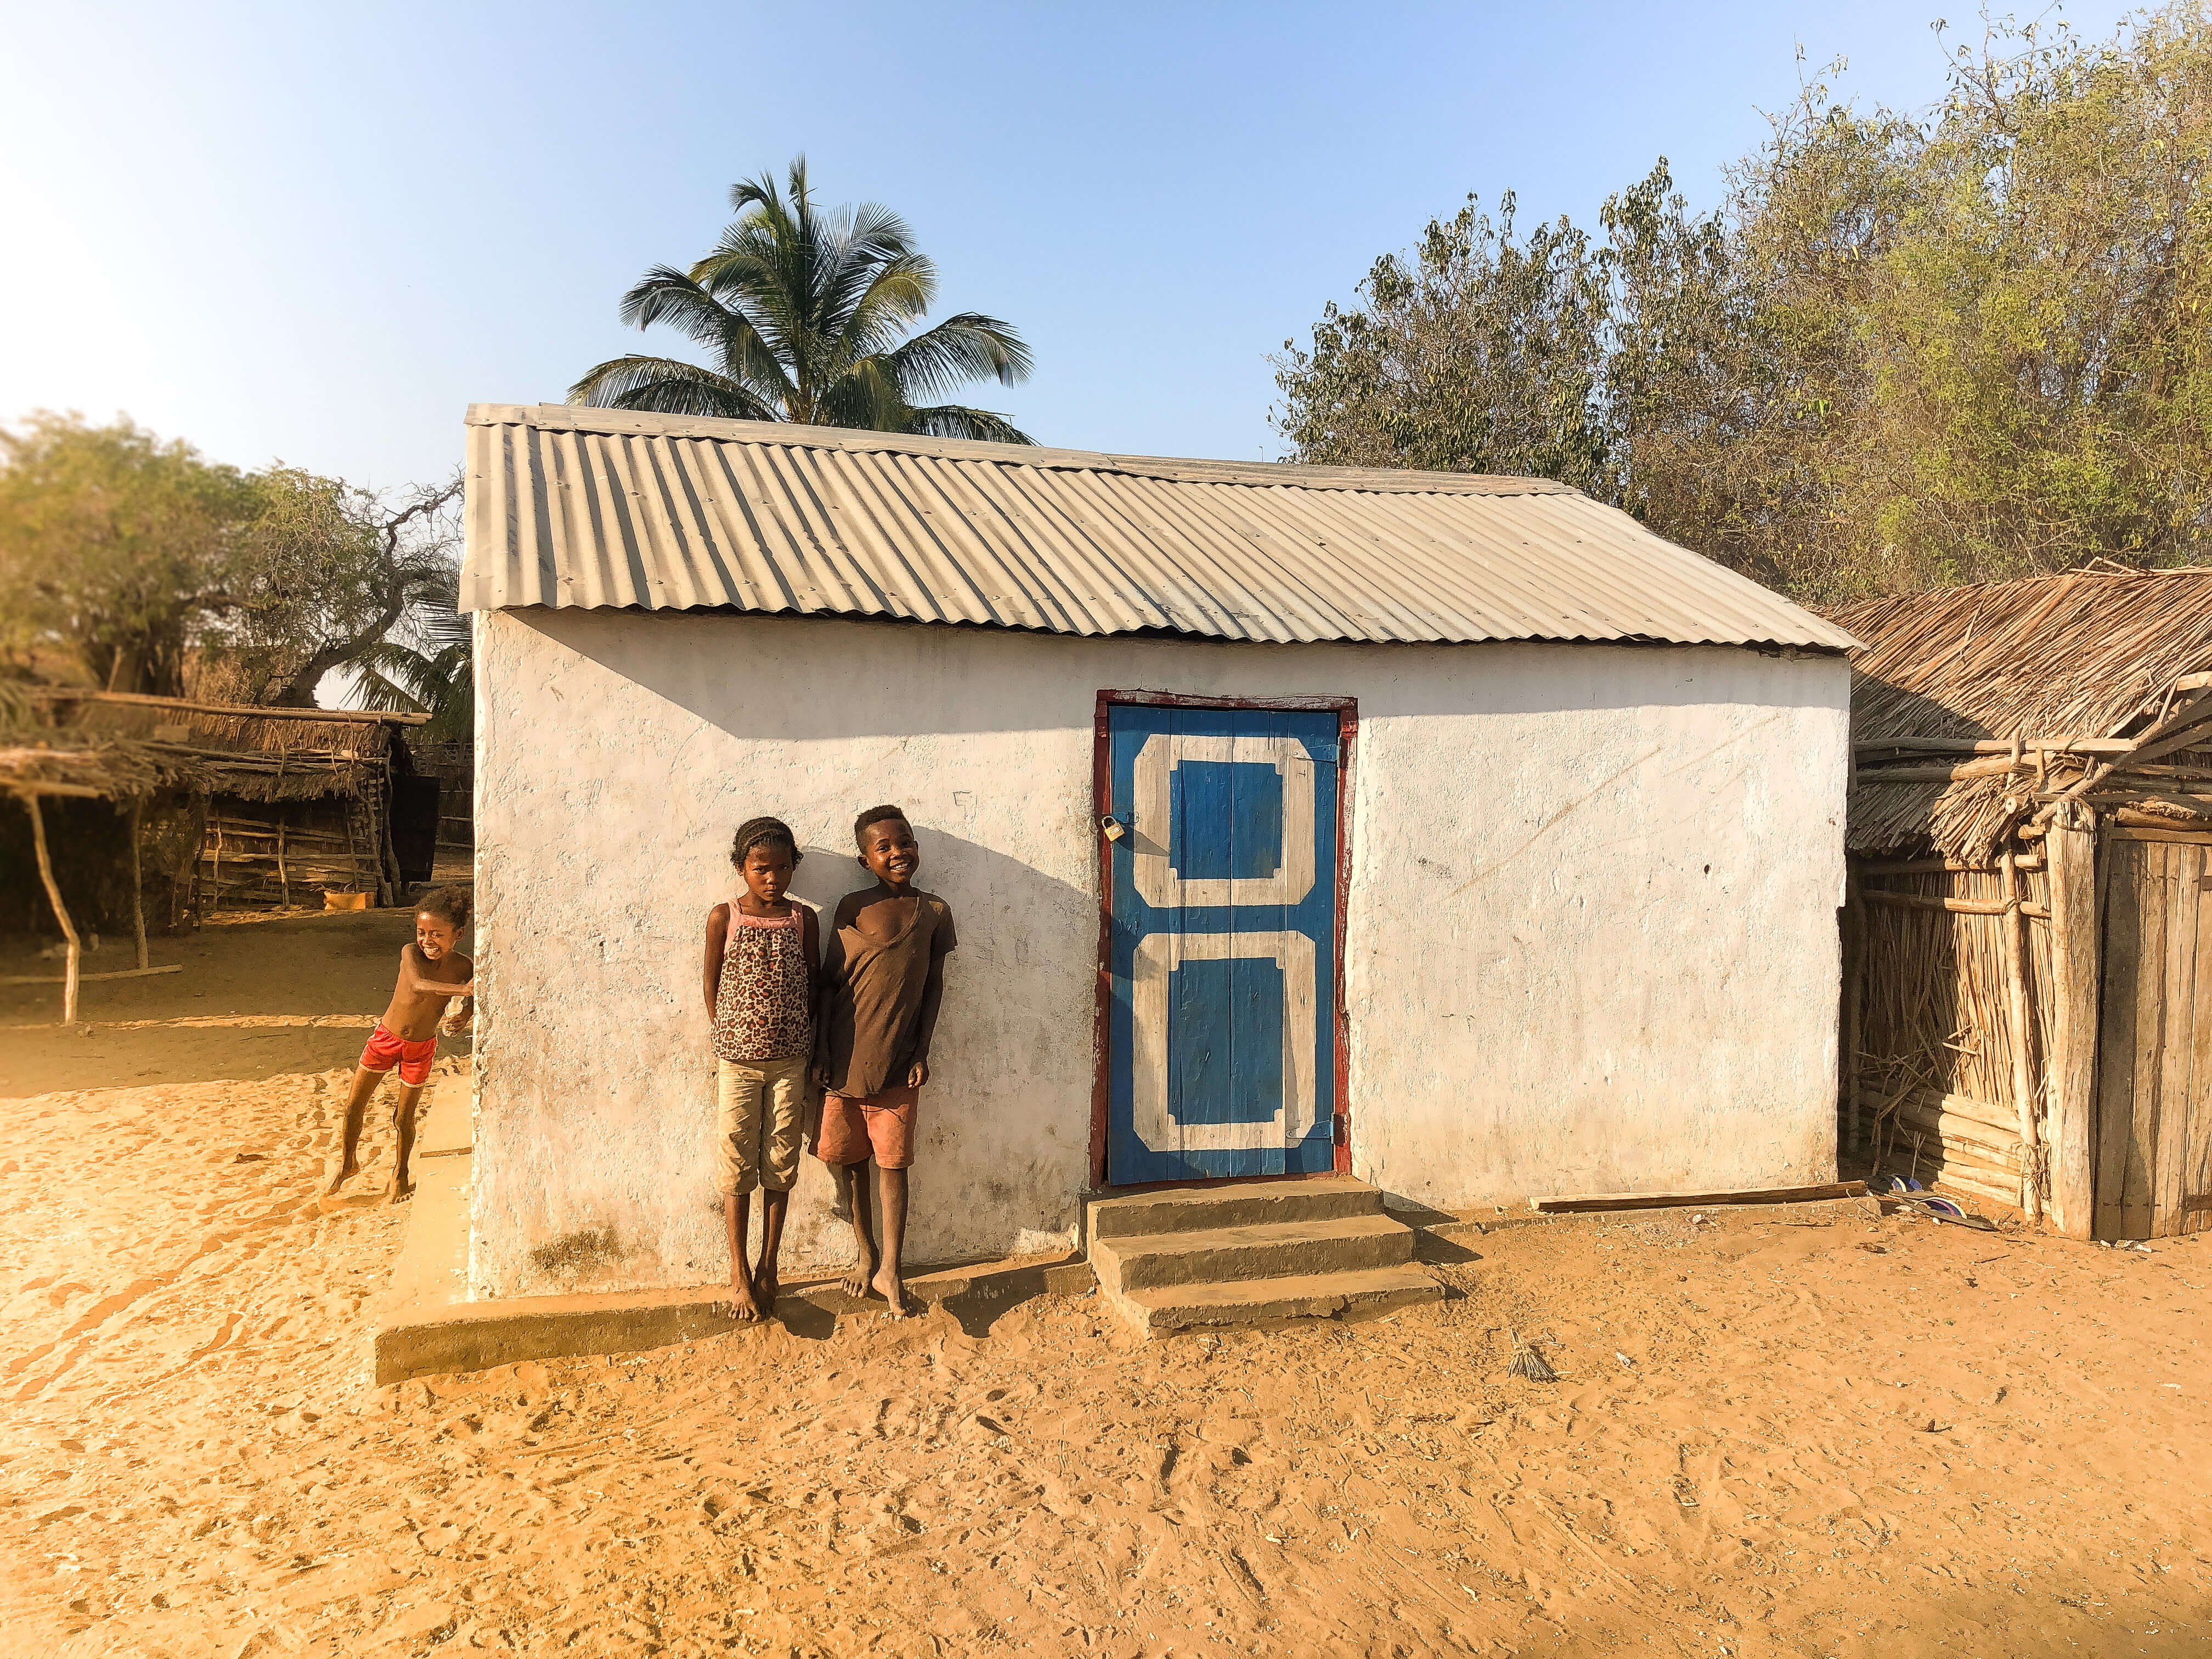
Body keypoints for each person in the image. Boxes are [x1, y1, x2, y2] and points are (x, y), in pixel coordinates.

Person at [812, 804, 956, 1317]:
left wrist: (921, 1051)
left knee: (893, 1167)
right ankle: (864, 1254)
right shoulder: (851, 908)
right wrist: (823, 1052)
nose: (899, 853)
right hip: (845, 1062)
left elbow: (934, 987)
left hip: (898, 1067)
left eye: (906, 842)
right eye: (885, 847)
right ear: (864, 859)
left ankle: (891, 1268)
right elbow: (830, 984)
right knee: (848, 1163)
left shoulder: (934, 911)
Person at [703, 816, 819, 1323]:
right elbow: (711, 984)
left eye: (783, 868)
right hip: (738, 1063)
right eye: (760, 869)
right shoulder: (723, 917)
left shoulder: (803, 919)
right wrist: (732, 1032)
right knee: (735, 1162)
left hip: (792, 1061)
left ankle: (770, 1265)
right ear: (741, 869)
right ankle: (739, 1272)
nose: (773, 878)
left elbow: (813, 984)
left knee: (780, 1161)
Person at [326, 886, 475, 1203]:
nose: (427, 941)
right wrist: (462, 992)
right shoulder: (410, 953)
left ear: (458, 934)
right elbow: (420, 985)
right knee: (354, 1106)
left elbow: (475, 996)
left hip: (420, 1049)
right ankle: (348, 1161)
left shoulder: (464, 968)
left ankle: (400, 1174)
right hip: (385, 1040)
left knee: (404, 1119)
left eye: (437, 934)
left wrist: (465, 1014)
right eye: (422, 932)